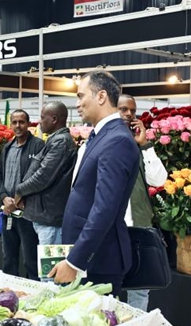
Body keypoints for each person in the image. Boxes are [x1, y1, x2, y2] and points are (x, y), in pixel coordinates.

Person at [49, 71, 140, 294]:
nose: (77, 104)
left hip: (99, 260)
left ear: (101, 96)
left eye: (81, 96)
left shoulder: (116, 140)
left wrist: (75, 261)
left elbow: (104, 209)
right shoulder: (102, 136)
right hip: (89, 256)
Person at [117, 94, 168, 311]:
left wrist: (146, 145)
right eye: (123, 109)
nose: (129, 114)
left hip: (138, 224)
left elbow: (159, 180)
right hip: (113, 227)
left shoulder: (139, 146)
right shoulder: (100, 143)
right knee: (110, 284)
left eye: (132, 111)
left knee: (140, 286)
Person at [13, 101, 77, 246]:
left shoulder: (61, 142)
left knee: (50, 267)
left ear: (54, 119)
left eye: (43, 118)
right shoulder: (56, 140)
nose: (39, 122)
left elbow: (42, 177)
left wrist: (20, 190)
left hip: (50, 219)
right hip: (46, 217)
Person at [0, 109, 44, 280]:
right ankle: (10, 291)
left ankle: (34, 293)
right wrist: (3, 197)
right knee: (9, 256)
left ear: (29, 123)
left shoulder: (38, 146)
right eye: (14, 122)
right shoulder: (7, 148)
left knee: (30, 258)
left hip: (27, 211)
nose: (18, 126)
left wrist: (21, 198)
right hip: (8, 210)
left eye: (21, 122)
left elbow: (41, 178)